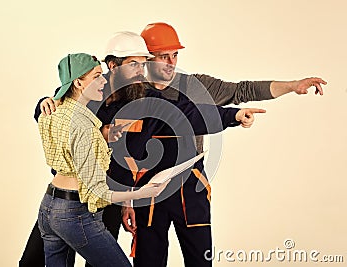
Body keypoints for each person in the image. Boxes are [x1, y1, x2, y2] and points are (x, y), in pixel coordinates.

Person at [20, 32, 265, 267]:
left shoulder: (145, 98)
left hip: (110, 198)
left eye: (144, 63)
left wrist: (233, 115)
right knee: (32, 261)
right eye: (133, 64)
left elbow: (186, 114)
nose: (141, 71)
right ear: (113, 66)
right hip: (67, 199)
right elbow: (55, 110)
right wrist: (42, 103)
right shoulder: (92, 89)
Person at [115, 22, 327, 267]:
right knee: (148, 261)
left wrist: (291, 86)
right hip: (149, 192)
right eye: (164, 57)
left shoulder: (195, 86)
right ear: (147, 60)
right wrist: (126, 202)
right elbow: (123, 152)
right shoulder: (131, 93)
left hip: (190, 191)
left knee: (200, 261)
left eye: (175, 55)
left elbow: (242, 90)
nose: (172, 63)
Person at [36, 52, 169, 267]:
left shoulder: (51, 113)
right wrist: (142, 193)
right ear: (78, 82)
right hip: (74, 211)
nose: (104, 80)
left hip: (49, 205)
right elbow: (97, 193)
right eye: (97, 76)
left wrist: (102, 135)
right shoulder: (84, 127)